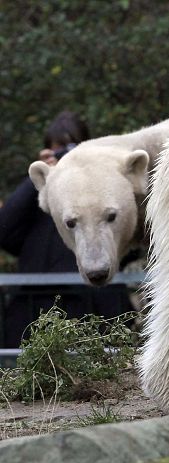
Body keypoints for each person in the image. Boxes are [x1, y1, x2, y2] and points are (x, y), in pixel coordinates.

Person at [0, 111, 134, 347]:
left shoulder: (107, 190)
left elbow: (129, 238)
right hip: (35, 314)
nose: (65, 156)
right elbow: (5, 229)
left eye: (72, 149)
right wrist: (45, 177)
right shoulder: (39, 195)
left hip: (96, 307)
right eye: (58, 149)